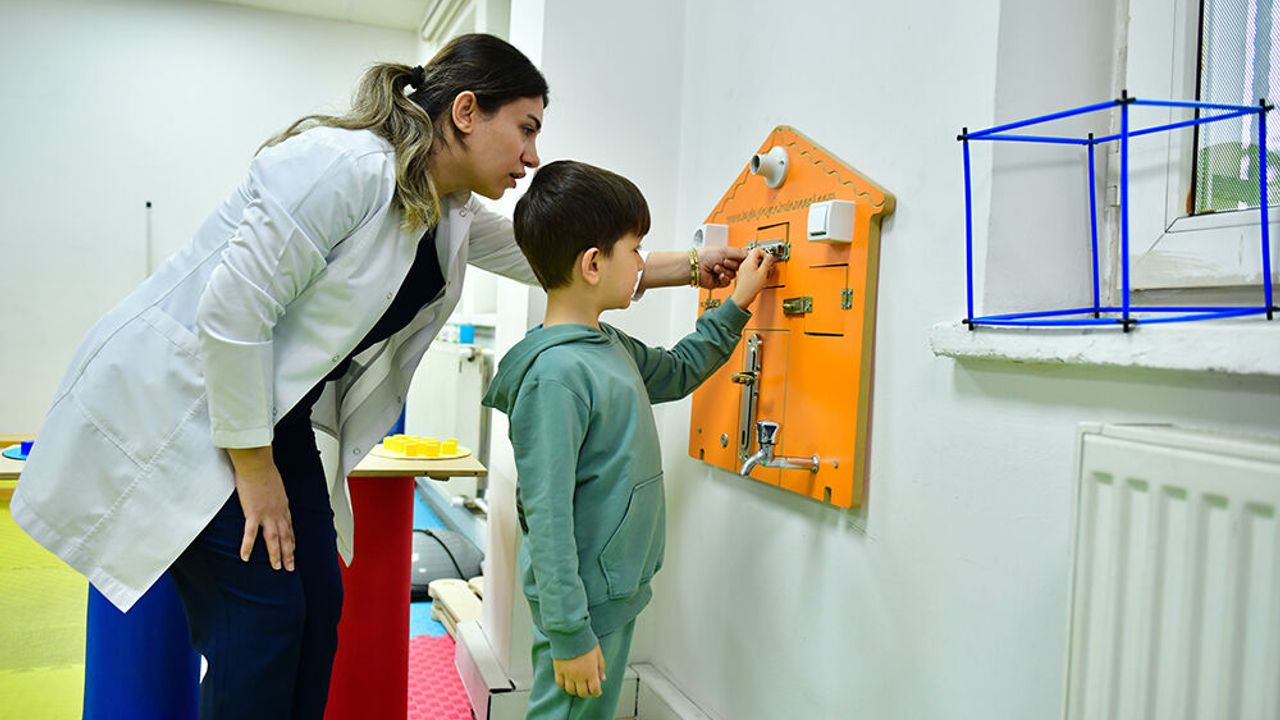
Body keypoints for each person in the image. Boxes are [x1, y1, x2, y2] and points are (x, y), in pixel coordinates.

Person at [11, 34, 744, 718]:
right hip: (193, 408)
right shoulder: (339, 167)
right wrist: (255, 470)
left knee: (319, 608)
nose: (532, 155)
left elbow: (557, 255)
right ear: (466, 112)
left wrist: (694, 267)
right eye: (525, 128)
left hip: (275, 417)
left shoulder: (448, 212)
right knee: (261, 625)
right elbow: (231, 316)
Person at [482, 160, 773, 719]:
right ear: (593, 264)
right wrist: (569, 632)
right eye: (636, 250)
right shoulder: (554, 377)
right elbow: (547, 516)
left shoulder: (607, 344)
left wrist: (736, 305)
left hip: (611, 590)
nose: (642, 263)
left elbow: (678, 370)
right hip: (583, 605)